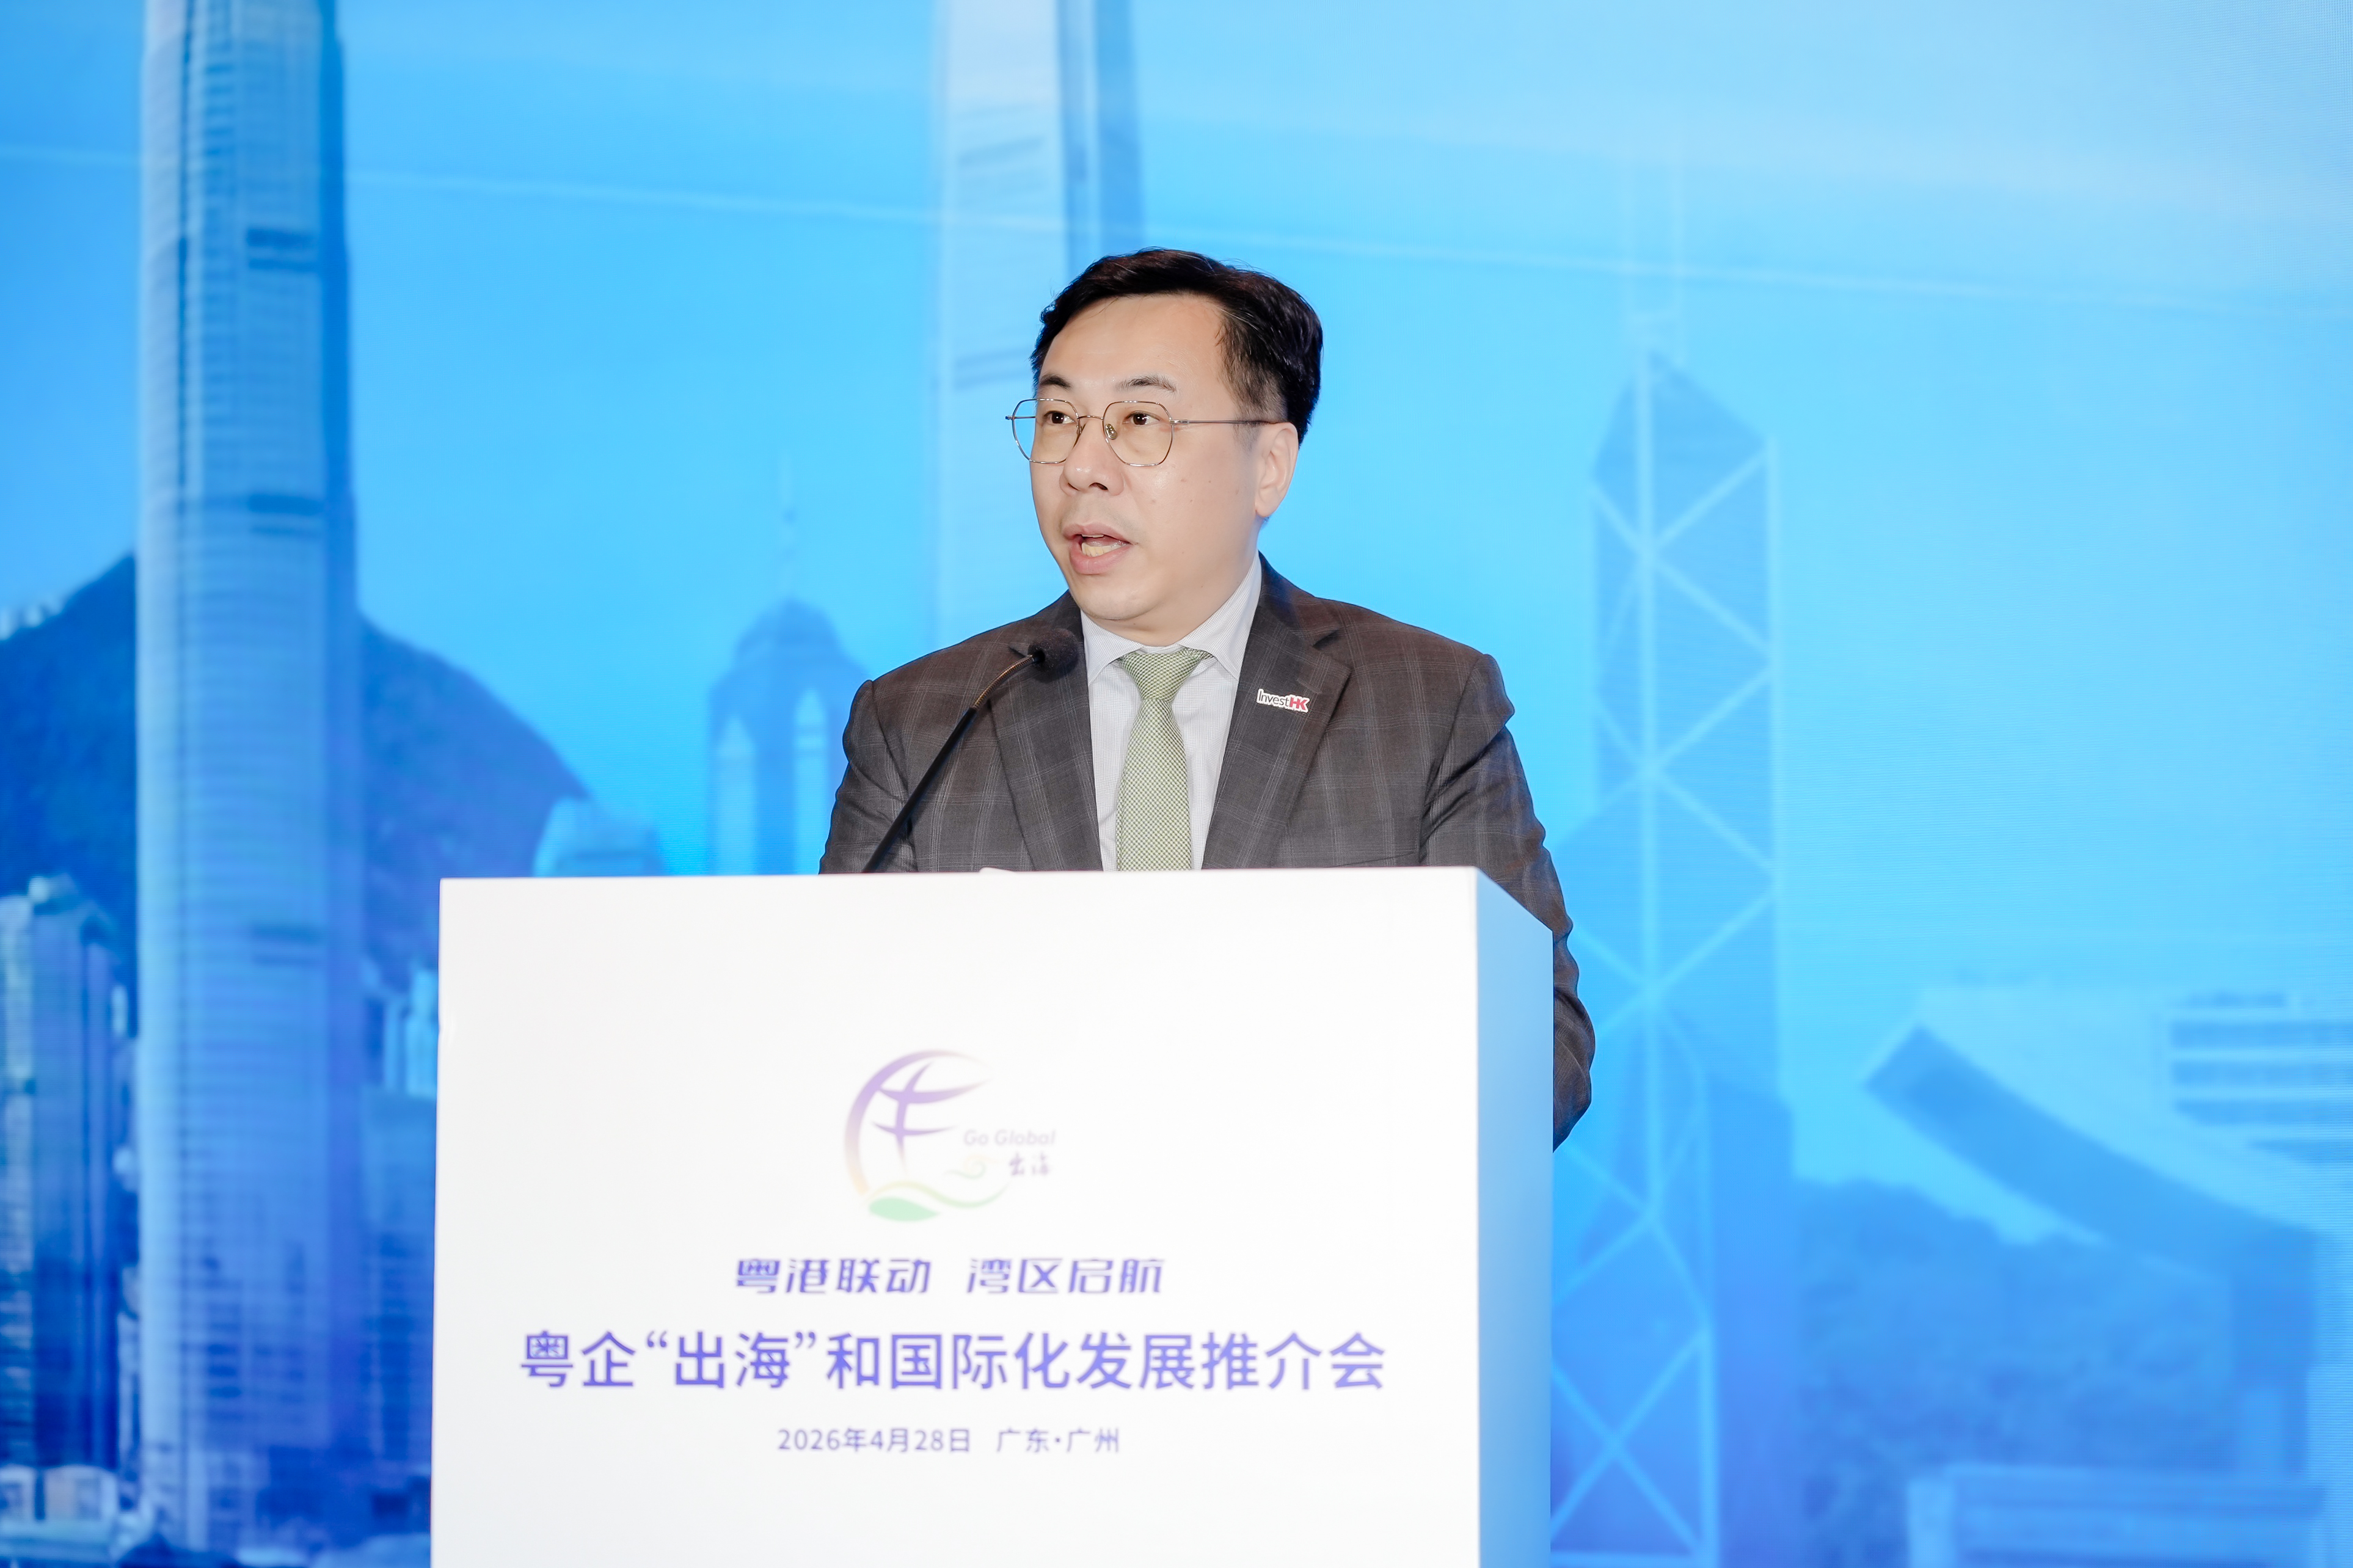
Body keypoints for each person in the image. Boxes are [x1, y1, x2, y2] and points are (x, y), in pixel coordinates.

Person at [822, 250, 1594, 1142]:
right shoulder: (923, 721)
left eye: (1140, 421)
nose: (1082, 467)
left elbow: (1539, 1055)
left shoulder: (1422, 704)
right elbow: (837, 1031)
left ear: (1269, 465)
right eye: (1060, 418)